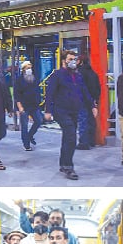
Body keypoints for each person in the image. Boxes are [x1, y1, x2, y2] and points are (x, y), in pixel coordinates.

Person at [44, 50, 97, 180]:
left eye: (75, 59)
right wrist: (48, 111)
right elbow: (49, 93)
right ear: (64, 60)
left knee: (67, 137)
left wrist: (92, 106)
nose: (73, 61)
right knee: (71, 136)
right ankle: (68, 166)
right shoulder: (57, 75)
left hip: (74, 110)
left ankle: (63, 163)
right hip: (60, 111)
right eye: (70, 59)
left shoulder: (77, 75)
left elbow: (84, 91)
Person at [14, 61, 43, 151]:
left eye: (30, 68)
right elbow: (16, 95)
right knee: (24, 126)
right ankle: (26, 144)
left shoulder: (34, 78)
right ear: (23, 70)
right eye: (27, 68)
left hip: (34, 105)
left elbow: (37, 91)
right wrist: (20, 107)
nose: (29, 70)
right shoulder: (19, 80)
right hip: (24, 106)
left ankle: (30, 136)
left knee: (39, 121)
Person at [76, 55, 101, 150]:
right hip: (92, 100)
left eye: (77, 60)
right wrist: (95, 99)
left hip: (82, 100)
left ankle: (83, 143)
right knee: (91, 120)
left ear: (81, 61)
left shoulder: (79, 73)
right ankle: (91, 141)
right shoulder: (93, 73)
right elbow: (98, 87)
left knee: (82, 120)